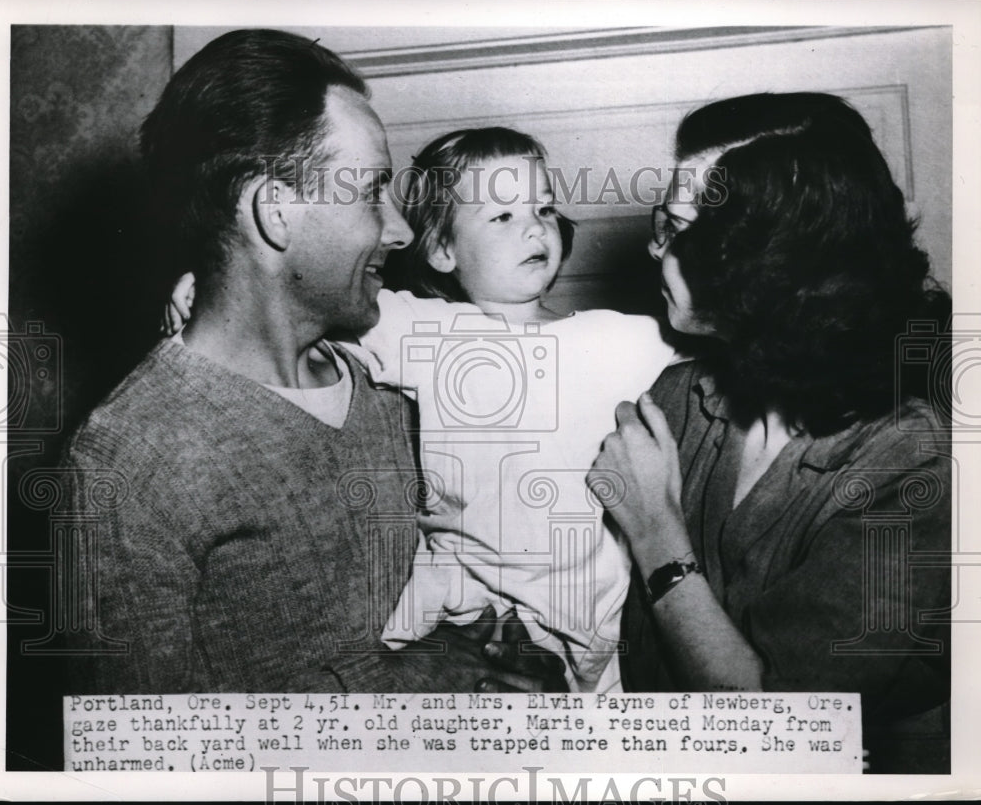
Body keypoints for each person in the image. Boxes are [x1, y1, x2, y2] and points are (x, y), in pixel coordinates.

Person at [59, 29, 560, 694]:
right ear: (275, 213)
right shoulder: (126, 466)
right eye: (369, 192)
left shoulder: (394, 389)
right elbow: (138, 763)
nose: (401, 229)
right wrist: (405, 685)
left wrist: (500, 661)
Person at [167, 127, 676, 691]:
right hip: (461, 597)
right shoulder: (425, 331)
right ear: (442, 250)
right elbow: (293, 296)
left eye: (545, 207)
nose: (535, 227)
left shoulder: (622, 338)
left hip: (596, 609)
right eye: (501, 217)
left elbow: (721, 348)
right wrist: (207, 288)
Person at [590, 92, 951, 771]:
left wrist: (654, 530)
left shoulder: (908, 461)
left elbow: (777, 728)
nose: (651, 247)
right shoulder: (677, 393)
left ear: (770, 262)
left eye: (676, 229)